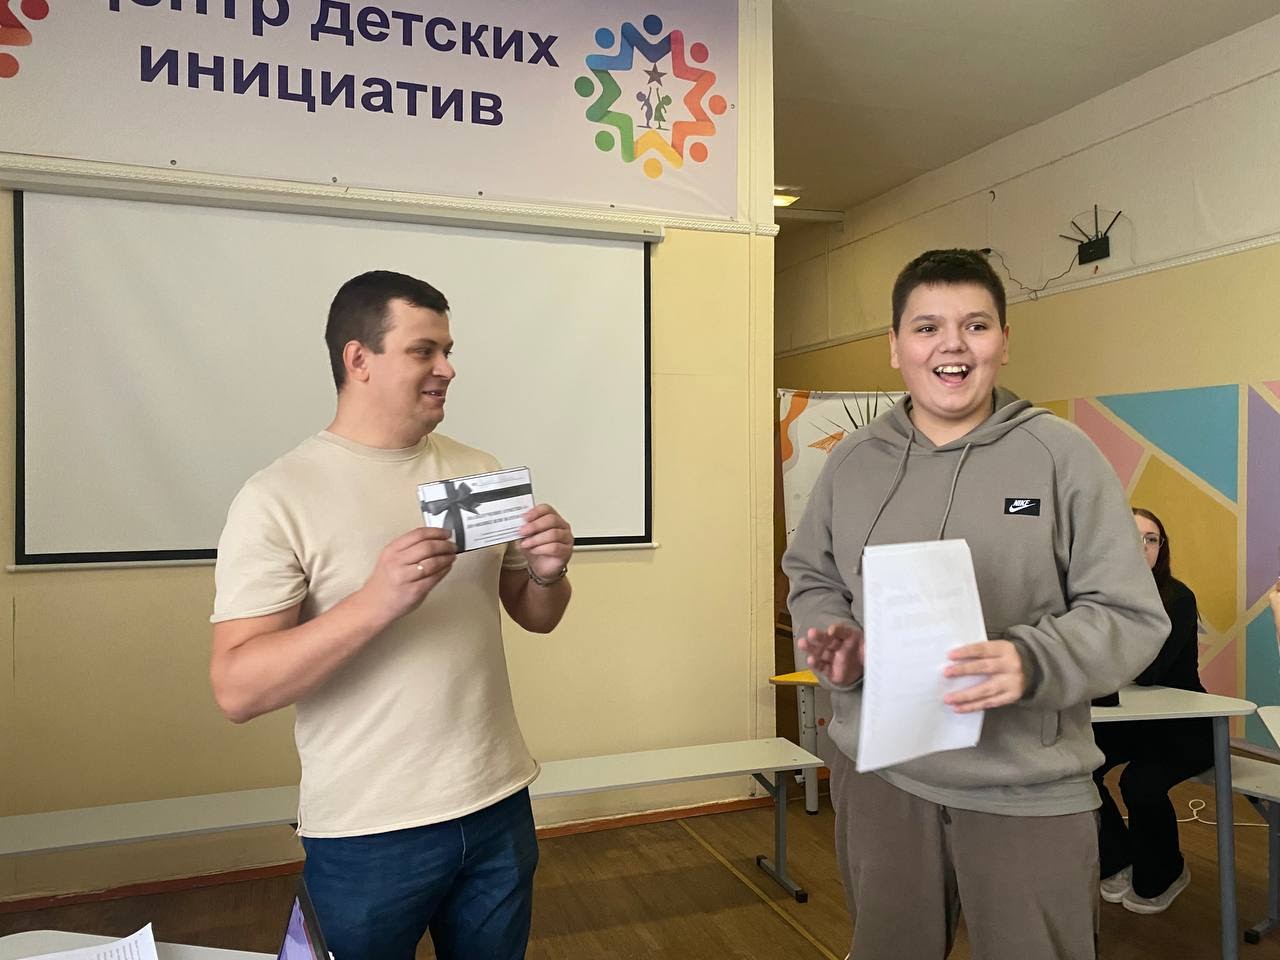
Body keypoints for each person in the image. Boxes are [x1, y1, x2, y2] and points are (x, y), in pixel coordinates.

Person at [782, 248, 1169, 960]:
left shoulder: (1062, 455)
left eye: (976, 325)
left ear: (1004, 341)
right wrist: (834, 635)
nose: (951, 345)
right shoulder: (853, 461)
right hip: (881, 778)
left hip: (1024, 786)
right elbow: (811, 573)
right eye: (927, 327)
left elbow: (1131, 613)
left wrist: (1032, 660)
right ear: (895, 346)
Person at [209, 271, 574, 960]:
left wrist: (549, 573)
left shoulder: (478, 471)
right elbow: (236, 688)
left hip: (498, 803)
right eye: (423, 351)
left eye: (448, 350)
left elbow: (536, 615)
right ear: (359, 359)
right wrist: (376, 602)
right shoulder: (277, 497)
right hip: (367, 831)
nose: (448, 369)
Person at [1093, 508, 1212, 914]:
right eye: (1133, 535)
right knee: (1076, 765)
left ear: (1161, 549)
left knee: (1139, 783)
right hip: (1131, 720)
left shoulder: (1177, 598)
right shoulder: (1097, 594)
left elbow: (1148, 672)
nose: (1142, 545)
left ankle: (1165, 873)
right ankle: (1117, 858)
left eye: (1152, 539)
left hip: (1185, 725)